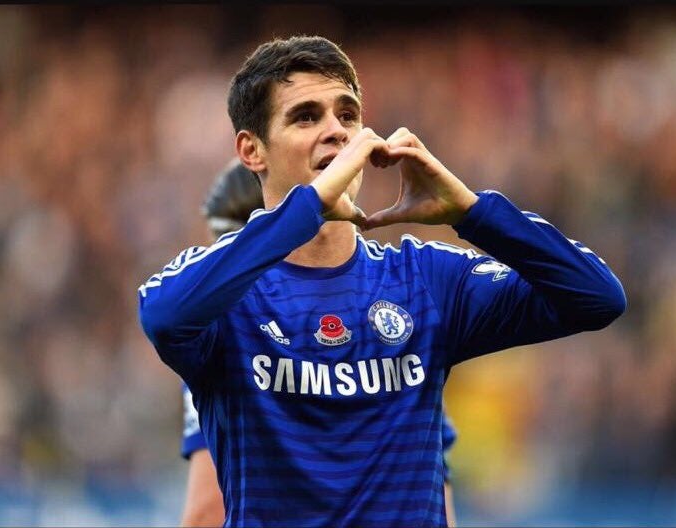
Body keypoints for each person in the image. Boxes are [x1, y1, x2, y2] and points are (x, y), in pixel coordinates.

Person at [139, 36, 625, 527]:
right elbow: (163, 315)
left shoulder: (425, 279)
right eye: (306, 117)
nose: (336, 131)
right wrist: (308, 208)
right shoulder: (226, 296)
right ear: (252, 151)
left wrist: (472, 212)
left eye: (347, 116)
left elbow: (596, 296)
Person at [179, 159, 460, 526]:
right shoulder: (402, 341)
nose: (222, 263)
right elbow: (438, 504)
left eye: (230, 242)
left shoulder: (229, 339)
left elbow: (207, 511)